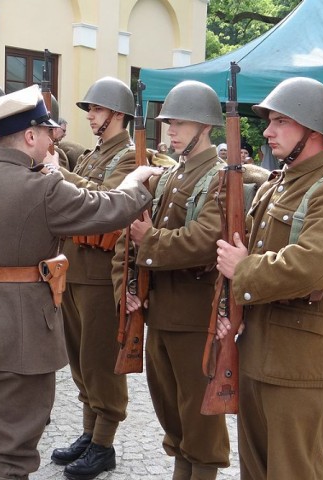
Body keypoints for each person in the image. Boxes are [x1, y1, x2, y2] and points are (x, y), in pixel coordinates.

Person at [0, 84, 160, 480]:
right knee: (12, 453)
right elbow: (111, 209)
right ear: (30, 136)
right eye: (47, 131)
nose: (53, 138)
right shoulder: (44, 188)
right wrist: (137, 180)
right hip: (22, 339)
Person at [215, 77, 323, 480]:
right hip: (256, 351)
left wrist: (242, 271)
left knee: (293, 473)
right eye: (270, 121)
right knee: (256, 471)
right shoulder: (275, 186)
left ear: (313, 130)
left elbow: (311, 266)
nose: (267, 131)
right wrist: (230, 312)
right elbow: (233, 250)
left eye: (280, 121)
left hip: (300, 365)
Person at [112, 80, 230, 480]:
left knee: (199, 418)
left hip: (195, 318)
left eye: (179, 123)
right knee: (172, 416)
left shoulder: (218, 177)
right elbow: (128, 239)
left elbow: (206, 241)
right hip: (158, 313)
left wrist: (152, 240)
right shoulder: (168, 176)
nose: (171, 132)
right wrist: (128, 290)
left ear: (205, 126)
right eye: (168, 124)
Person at [48, 76, 139, 479]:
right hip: (73, 268)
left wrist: (59, 174)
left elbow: (108, 201)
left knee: (102, 362)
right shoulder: (93, 154)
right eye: (88, 110)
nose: (90, 116)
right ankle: (90, 433)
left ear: (117, 114)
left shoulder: (131, 157)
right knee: (81, 360)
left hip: (103, 275)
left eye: (97, 110)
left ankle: (104, 443)